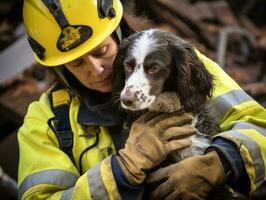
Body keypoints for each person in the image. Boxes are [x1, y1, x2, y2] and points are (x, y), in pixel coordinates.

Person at [18, 0, 266, 200]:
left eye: (101, 51)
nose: (97, 70)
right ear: (60, 69)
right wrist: (122, 170)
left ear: (117, 33)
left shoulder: (174, 62)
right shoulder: (46, 120)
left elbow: (258, 125)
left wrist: (218, 163)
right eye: (76, 63)